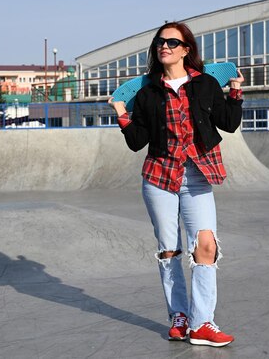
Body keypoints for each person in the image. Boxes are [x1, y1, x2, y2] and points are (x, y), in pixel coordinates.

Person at [108, 21, 244, 347]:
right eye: (160, 42)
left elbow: (229, 123)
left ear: (186, 49)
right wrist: (121, 112)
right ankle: (179, 317)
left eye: (172, 41)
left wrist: (236, 92)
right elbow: (137, 141)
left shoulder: (206, 84)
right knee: (169, 250)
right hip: (159, 177)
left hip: (197, 175)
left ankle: (202, 324)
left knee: (206, 246)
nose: (164, 46)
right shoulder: (148, 92)